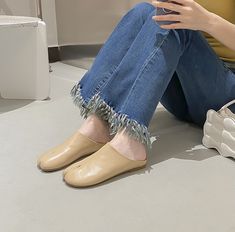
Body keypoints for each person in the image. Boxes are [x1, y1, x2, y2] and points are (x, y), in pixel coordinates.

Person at [37, 0, 235, 187]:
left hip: (225, 96)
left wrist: (207, 21)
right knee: (143, 12)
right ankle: (97, 124)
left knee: (177, 24)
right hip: (186, 95)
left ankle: (130, 144)